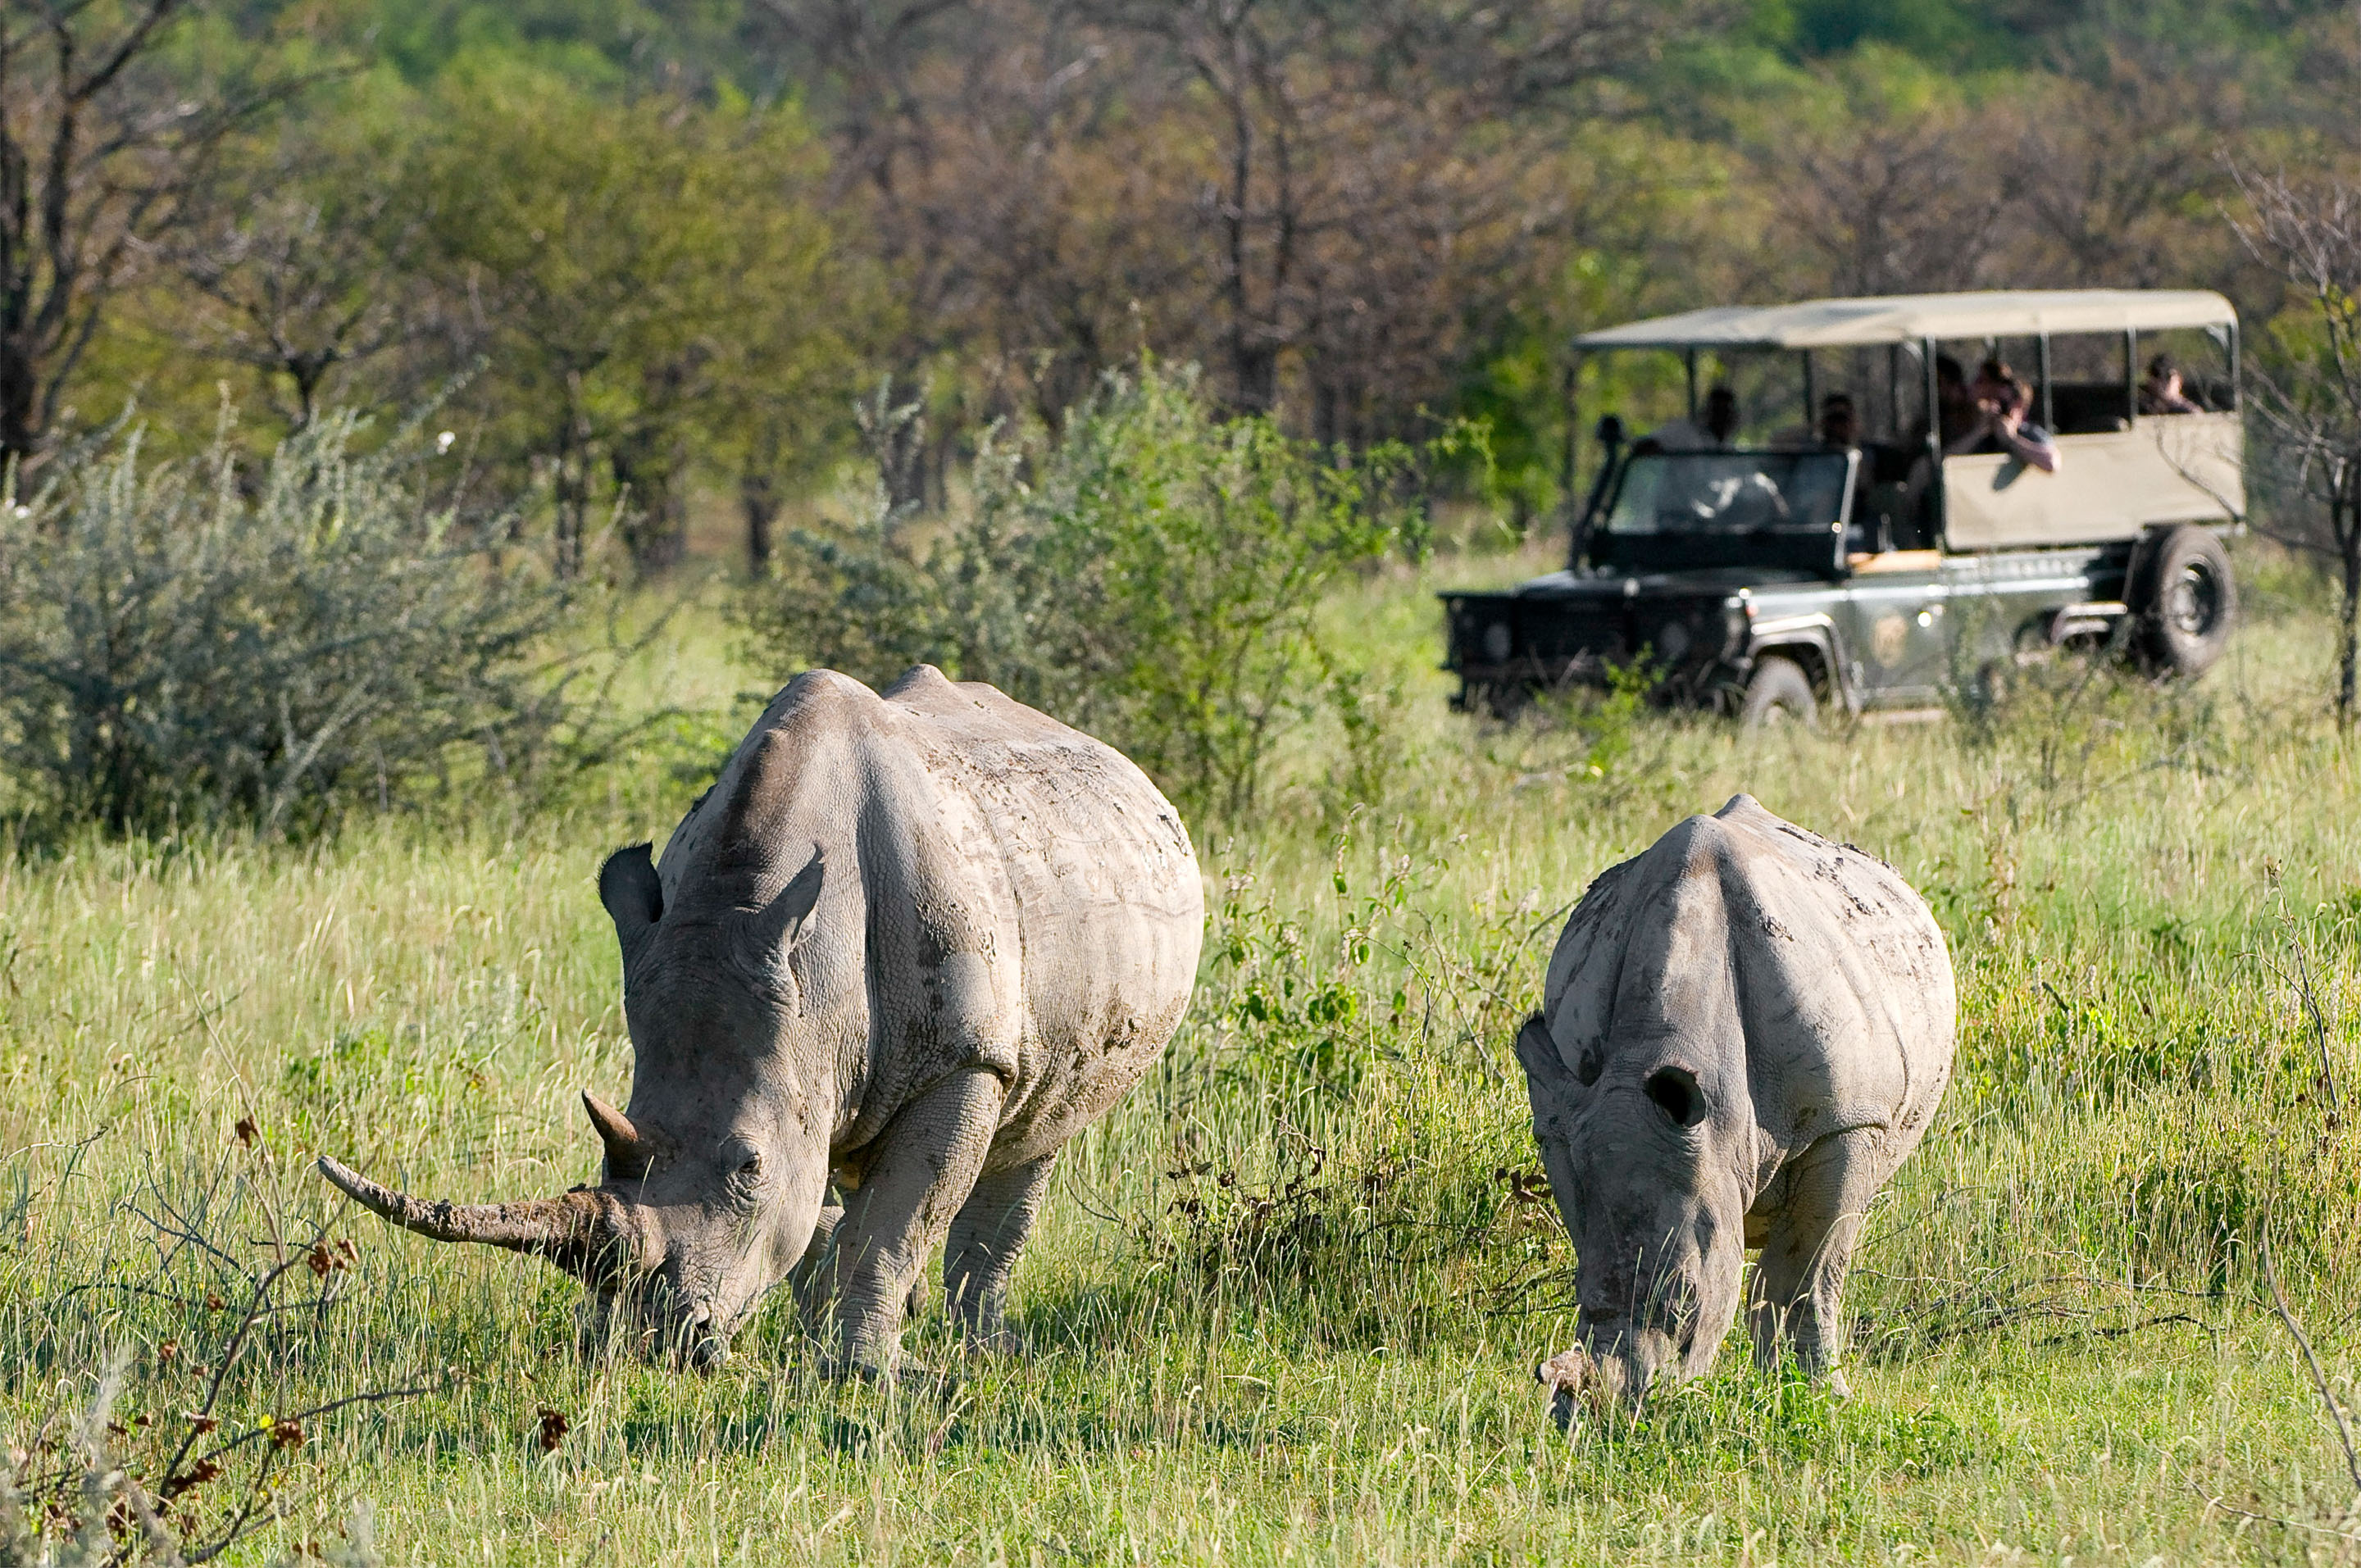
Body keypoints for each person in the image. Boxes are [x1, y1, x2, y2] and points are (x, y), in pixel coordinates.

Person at [1946, 357, 2059, 473]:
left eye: (2002, 403)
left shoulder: (2028, 432)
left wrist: (2011, 439)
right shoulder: (1982, 434)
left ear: (2018, 405)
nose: (1997, 407)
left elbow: (2051, 463)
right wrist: (1980, 432)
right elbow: (1947, 460)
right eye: (1992, 401)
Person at [1636, 384, 1740, 452]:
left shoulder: (1730, 450)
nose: (1723, 418)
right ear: (1706, 412)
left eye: (1727, 413)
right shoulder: (1684, 433)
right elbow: (1644, 445)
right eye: (1717, 411)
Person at [2140, 354, 2204, 415]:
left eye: (2168, 377)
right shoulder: (2141, 408)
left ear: (2179, 380)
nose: (2162, 382)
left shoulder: (2189, 411)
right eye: (2156, 376)